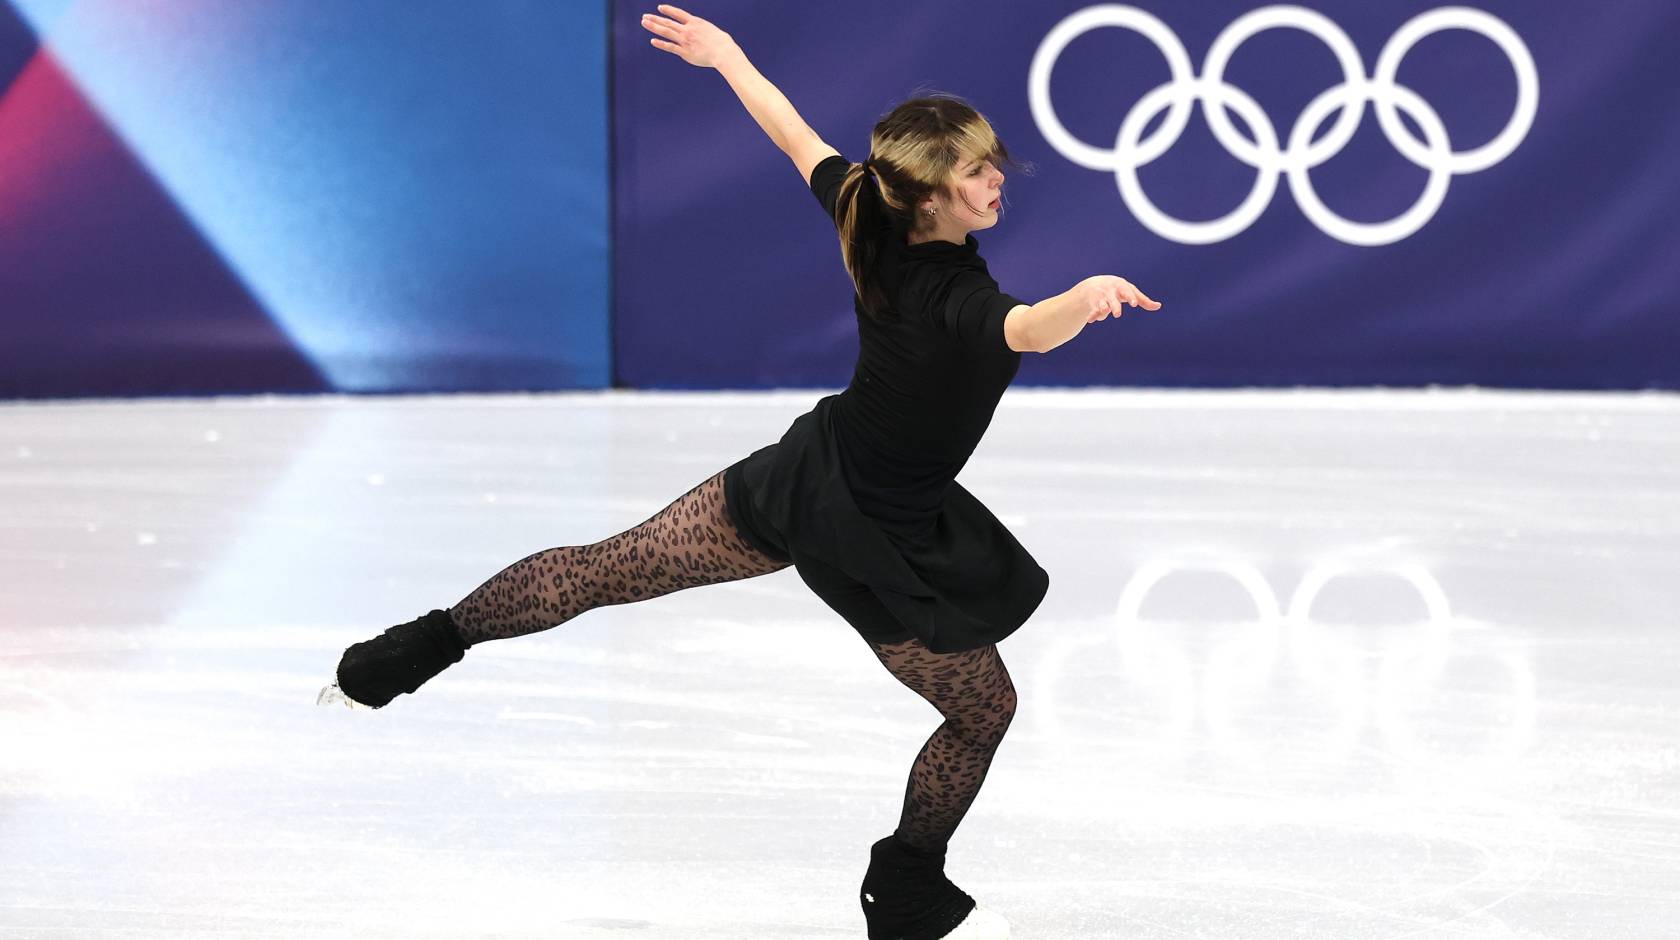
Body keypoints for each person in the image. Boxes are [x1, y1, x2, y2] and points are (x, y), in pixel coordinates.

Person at [325, 5, 1161, 938]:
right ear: (926, 196)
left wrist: (727, 57)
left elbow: (795, 135)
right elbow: (1022, 331)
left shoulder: (864, 211)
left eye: (987, 158)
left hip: (807, 478)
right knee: (985, 712)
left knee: (607, 569)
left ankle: (424, 643)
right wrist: (1081, 302)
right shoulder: (954, 295)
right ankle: (905, 882)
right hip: (879, 534)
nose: (995, 177)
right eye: (974, 170)